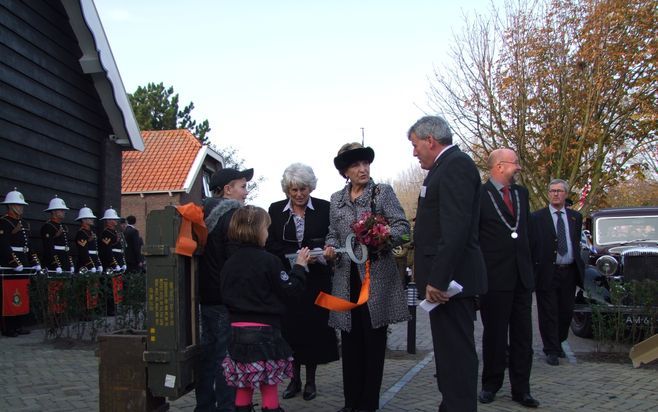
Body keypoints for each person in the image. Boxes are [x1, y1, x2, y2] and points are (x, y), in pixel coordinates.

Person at [408, 116, 487, 412]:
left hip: (451, 285)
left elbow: (455, 230)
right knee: (448, 355)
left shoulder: (456, 165)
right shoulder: (443, 167)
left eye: (415, 145)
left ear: (431, 140)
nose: (414, 153)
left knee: (457, 356)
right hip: (444, 284)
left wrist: (439, 280)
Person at [323, 142, 410, 412]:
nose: (362, 169)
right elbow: (332, 233)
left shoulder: (382, 193)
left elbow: (403, 228)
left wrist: (380, 236)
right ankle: (350, 404)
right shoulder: (336, 199)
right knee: (350, 344)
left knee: (373, 344)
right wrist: (328, 247)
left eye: (365, 163)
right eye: (355, 165)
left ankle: (368, 405)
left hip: (376, 281)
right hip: (345, 279)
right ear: (345, 171)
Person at [220, 205, 310, 412]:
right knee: (268, 385)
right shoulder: (270, 261)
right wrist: (299, 267)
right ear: (258, 231)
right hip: (266, 332)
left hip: (236, 333)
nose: (268, 234)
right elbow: (290, 290)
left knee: (244, 383)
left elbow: (224, 294)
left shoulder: (229, 263)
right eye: (267, 229)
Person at [266, 163, 339, 402]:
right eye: (294, 189)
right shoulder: (275, 210)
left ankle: (310, 381)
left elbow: (332, 240)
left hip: (316, 281)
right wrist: (292, 259)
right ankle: (293, 379)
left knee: (314, 330)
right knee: (290, 330)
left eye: (303, 189)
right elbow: (270, 243)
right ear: (287, 189)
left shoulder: (325, 208)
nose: (298, 194)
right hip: (288, 280)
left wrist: (326, 254)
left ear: (311, 187)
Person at [478, 148, 539, 408]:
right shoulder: (479, 196)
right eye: (515, 163)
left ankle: (521, 389)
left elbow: (526, 233)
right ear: (500, 167)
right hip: (494, 279)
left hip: (522, 279)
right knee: (494, 335)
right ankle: (491, 384)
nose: (519, 168)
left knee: (523, 337)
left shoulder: (522, 194)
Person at [195, 167, 253, 412]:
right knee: (225, 357)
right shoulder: (233, 217)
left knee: (208, 355)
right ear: (228, 189)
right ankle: (226, 407)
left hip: (207, 296)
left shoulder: (204, 214)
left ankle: (205, 406)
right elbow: (237, 262)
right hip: (225, 299)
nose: (245, 191)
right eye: (242, 186)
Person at [530, 179, 584, 366]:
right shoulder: (537, 217)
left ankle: (559, 341)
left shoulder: (575, 217)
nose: (555, 194)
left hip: (568, 272)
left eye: (559, 191)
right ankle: (551, 349)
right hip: (547, 271)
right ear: (548, 193)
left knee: (566, 311)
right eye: (552, 190)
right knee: (548, 312)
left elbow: (575, 244)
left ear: (566, 194)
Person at [0, 189, 41, 337]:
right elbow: (3, 244)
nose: (21, 208)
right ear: (11, 206)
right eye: (18, 205)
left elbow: (28, 245)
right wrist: (14, 262)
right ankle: (8, 328)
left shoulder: (22, 223)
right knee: (9, 297)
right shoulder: (3, 222)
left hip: (23, 263)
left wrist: (35, 261)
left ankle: (18, 325)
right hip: (10, 265)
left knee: (21, 296)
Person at [98, 207, 126, 315]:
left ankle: (116, 307)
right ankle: (110, 309)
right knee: (110, 286)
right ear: (108, 221)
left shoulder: (115, 232)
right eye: (113, 219)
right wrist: (114, 264)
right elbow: (108, 250)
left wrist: (122, 263)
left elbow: (120, 249)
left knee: (117, 286)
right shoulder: (106, 233)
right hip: (111, 264)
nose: (116, 221)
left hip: (118, 262)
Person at [41, 196, 75, 275]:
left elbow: (66, 247)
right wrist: (56, 264)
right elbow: (48, 247)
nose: (64, 212)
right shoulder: (48, 226)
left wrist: (70, 264)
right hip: (54, 262)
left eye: (64, 210)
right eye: (61, 210)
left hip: (65, 261)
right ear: (54, 212)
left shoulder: (63, 226)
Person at [75, 206, 102, 273]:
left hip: (94, 261)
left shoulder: (91, 232)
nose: (92, 220)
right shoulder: (81, 233)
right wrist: (89, 264)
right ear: (83, 220)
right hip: (86, 264)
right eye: (90, 218)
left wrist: (98, 263)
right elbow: (83, 251)